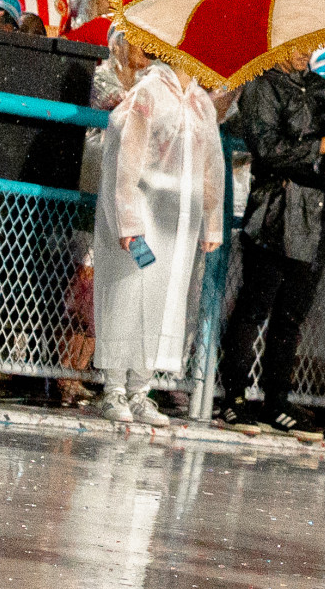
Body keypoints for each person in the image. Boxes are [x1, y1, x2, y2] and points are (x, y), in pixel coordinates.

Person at [215, 47, 325, 435]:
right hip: (274, 213)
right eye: (296, 43)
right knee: (254, 307)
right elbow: (267, 150)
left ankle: (277, 401)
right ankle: (233, 398)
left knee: (291, 317)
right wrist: (323, 146)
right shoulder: (261, 85)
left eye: (308, 43)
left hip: (316, 218)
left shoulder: (319, 87)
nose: (303, 51)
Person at [90, 51, 225, 425]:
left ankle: (140, 390)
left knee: (164, 301)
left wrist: (212, 220)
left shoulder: (201, 103)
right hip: (144, 217)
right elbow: (124, 159)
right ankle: (114, 389)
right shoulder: (148, 92)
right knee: (129, 293)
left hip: (178, 225)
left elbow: (212, 165)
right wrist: (127, 220)